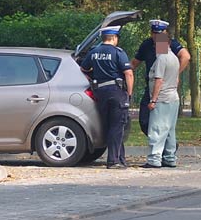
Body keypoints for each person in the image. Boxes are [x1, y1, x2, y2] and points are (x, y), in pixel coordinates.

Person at [81, 25, 134, 169]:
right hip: (116, 92)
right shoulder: (118, 53)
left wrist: (93, 79)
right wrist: (129, 93)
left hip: (100, 92)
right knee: (117, 126)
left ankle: (120, 158)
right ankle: (113, 161)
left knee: (110, 125)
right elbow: (128, 73)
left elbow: (84, 69)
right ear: (115, 38)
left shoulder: (93, 52)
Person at [131, 19, 190, 136]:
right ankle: (163, 144)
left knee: (163, 122)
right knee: (144, 121)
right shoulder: (147, 45)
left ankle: (163, 147)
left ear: (165, 33)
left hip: (164, 89)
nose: (156, 36)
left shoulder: (167, 44)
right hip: (151, 87)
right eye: (154, 33)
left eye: (159, 34)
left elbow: (185, 56)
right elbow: (134, 63)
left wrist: (175, 74)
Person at [142, 32, 180, 168]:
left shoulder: (161, 59)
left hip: (162, 98)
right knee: (170, 130)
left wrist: (153, 100)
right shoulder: (175, 58)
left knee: (157, 129)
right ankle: (170, 158)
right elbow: (176, 79)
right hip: (173, 98)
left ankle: (154, 159)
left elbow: (158, 80)